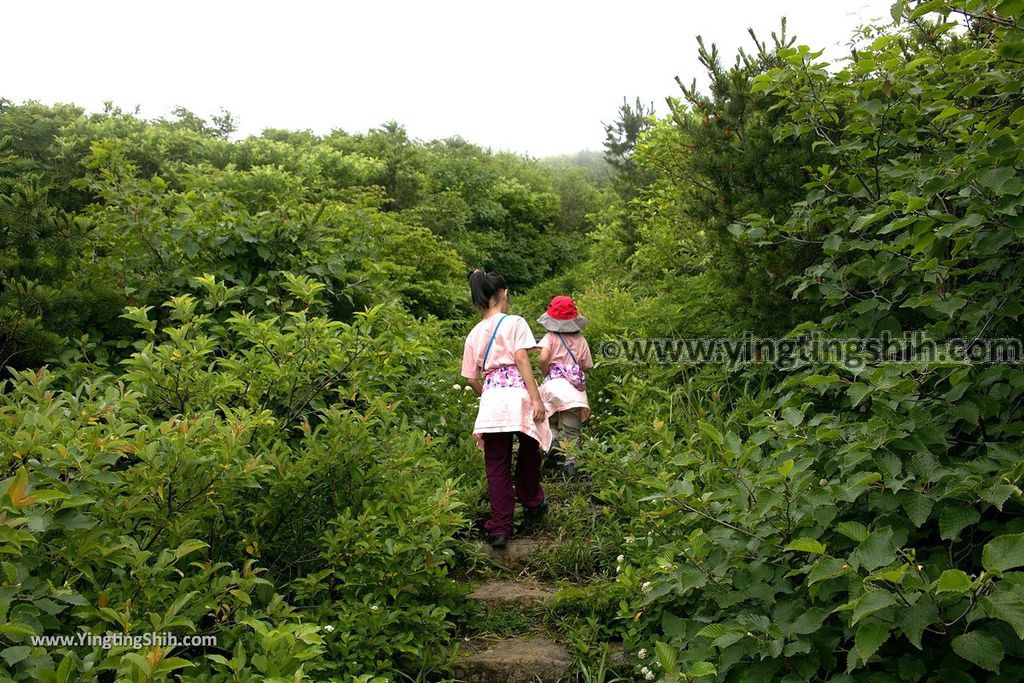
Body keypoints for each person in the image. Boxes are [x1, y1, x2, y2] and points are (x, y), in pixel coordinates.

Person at [461, 269, 552, 549]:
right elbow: (522, 358)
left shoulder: (473, 333)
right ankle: (533, 501)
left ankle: (500, 527)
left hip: (492, 403)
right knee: (529, 449)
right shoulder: (515, 322)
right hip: (518, 397)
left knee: (496, 465)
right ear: (504, 294)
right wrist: (536, 399)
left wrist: (488, 394)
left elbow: (470, 378)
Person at [537, 295, 593, 479]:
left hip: (553, 385)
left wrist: (546, 371)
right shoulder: (581, 340)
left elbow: (544, 358)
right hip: (573, 390)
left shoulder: (550, 337)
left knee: (550, 419)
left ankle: (552, 440)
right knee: (572, 430)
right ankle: (571, 465)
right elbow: (587, 365)